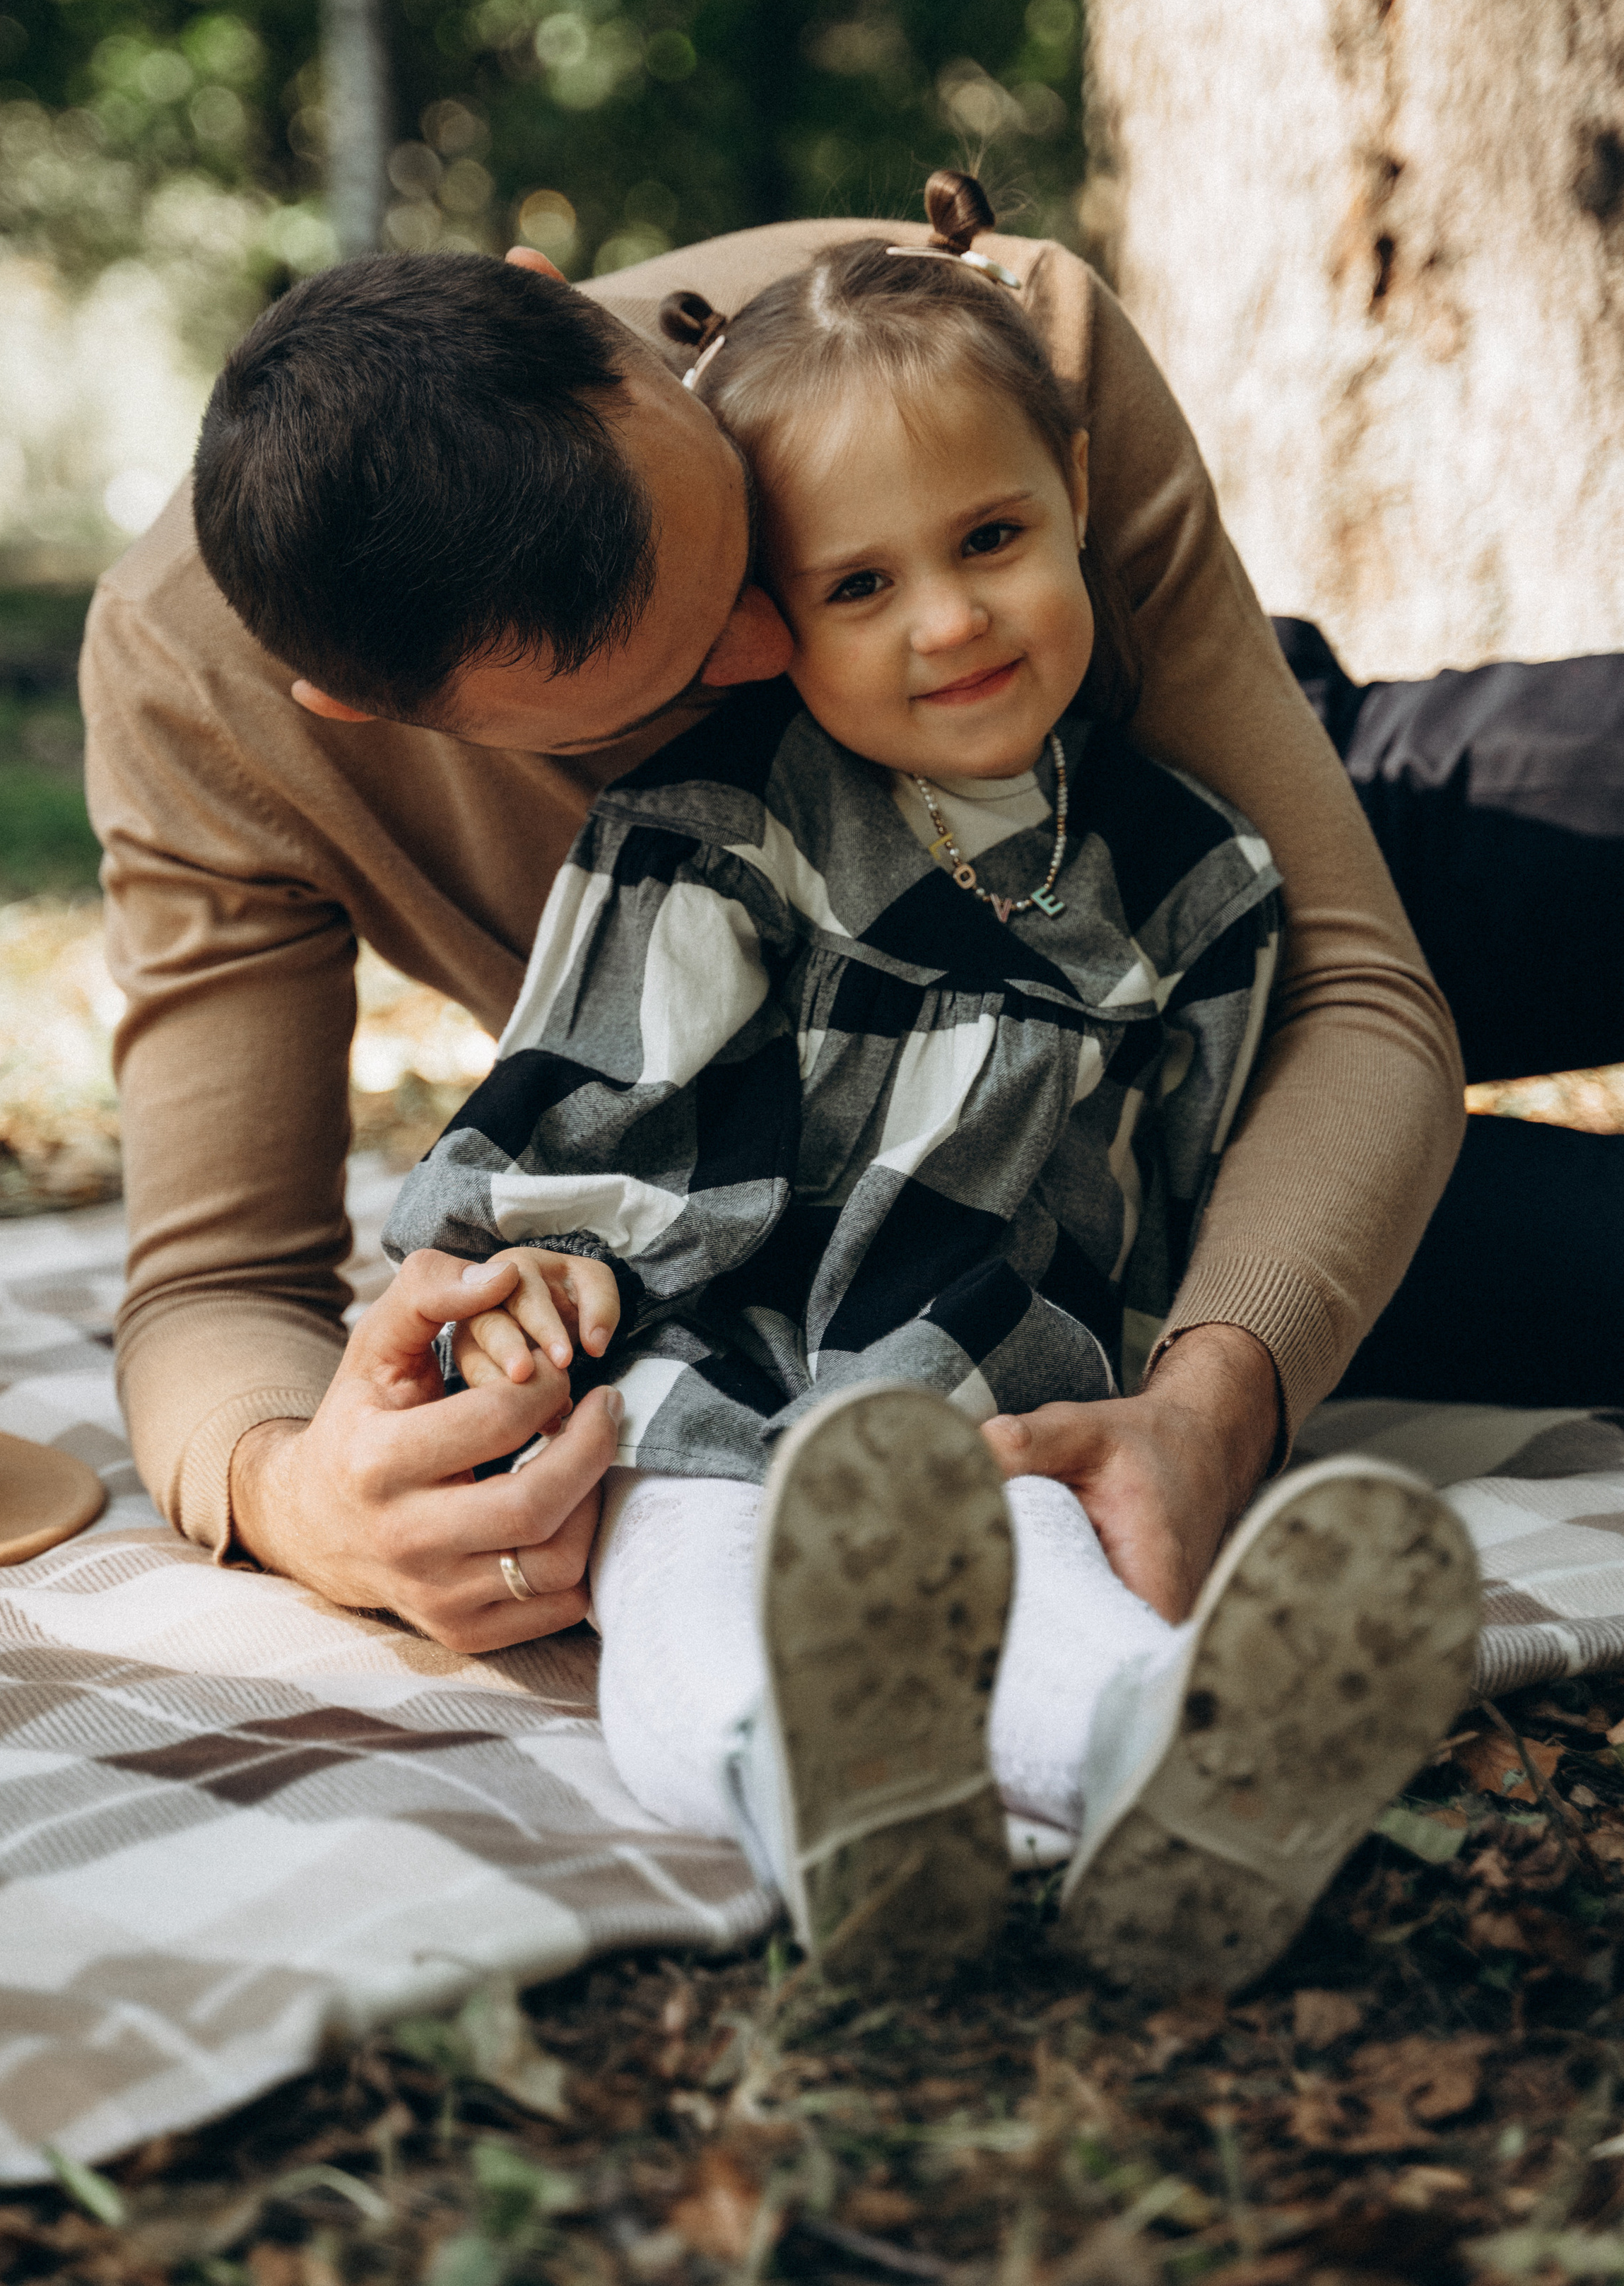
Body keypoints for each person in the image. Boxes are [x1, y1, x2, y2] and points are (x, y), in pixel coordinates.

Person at [369, 177, 1481, 1991]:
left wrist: (1160, 1378)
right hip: (703, 1359)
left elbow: (1177, 1179)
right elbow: (572, 1104)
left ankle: (1167, 1763)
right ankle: (815, 1799)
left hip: (980, 1374)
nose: (948, 620)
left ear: (1072, 507)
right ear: (771, 621)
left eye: (989, 539)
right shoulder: (715, 827)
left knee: (1042, 1557)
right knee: (683, 1594)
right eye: (860, 585)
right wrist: (530, 1284)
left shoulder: (1191, 871)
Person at [83, 200, 1470, 1655]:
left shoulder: (981, 330)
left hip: (1233, 846)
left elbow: (1353, 990)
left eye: (758, 548)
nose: (768, 652)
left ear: (564, 307)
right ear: (372, 716)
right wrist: (305, 1497)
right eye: (679, 683)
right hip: (1024, 1146)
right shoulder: (195, 693)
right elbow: (215, 1279)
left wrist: (1210, 1414)